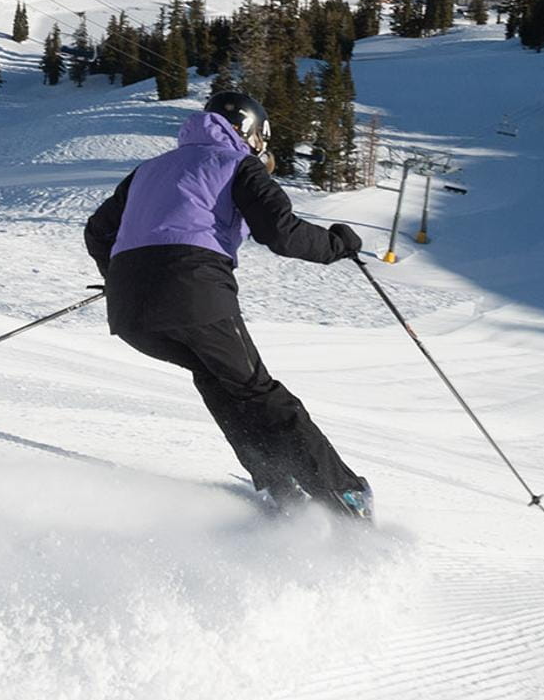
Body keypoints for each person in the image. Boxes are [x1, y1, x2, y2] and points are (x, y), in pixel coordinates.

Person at [83, 90, 374, 520]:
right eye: (261, 137)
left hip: (131, 313)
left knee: (217, 376)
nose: (261, 147)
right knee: (258, 390)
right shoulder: (237, 163)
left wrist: (123, 277)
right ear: (248, 131)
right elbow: (281, 233)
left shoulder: (149, 170)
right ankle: (342, 495)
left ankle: (281, 483)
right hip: (195, 291)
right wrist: (338, 245)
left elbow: (96, 231)